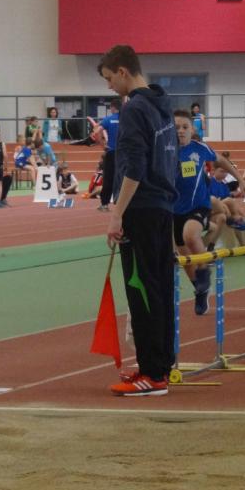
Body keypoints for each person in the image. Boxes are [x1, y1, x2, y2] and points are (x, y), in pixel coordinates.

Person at [99, 44, 179, 397]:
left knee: (142, 289)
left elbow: (134, 167)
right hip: (163, 207)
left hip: (141, 209)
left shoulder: (134, 108)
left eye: (109, 79)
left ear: (123, 71)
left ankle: (153, 374)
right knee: (160, 288)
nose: (109, 87)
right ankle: (160, 364)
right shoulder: (163, 104)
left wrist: (116, 214)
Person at [173, 109, 245, 316]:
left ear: (192, 130)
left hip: (198, 205)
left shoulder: (200, 148)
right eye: (176, 127)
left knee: (190, 235)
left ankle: (204, 272)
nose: (180, 131)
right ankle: (200, 290)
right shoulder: (165, 151)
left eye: (185, 127)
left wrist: (240, 179)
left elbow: (222, 161)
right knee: (185, 258)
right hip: (175, 210)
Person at [89, 98, 121, 212]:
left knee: (108, 178)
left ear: (112, 107)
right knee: (124, 178)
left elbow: (96, 132)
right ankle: (123, 205)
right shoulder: (126, 119)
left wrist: (102, 145)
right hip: (123, 153)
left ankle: (104, 204)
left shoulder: (108, 119)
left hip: (111, 152)